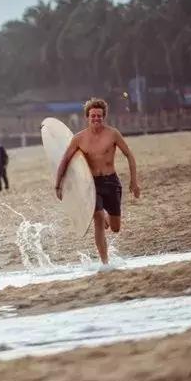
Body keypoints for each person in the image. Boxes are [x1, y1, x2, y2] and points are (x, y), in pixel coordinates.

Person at [55, 97, 140, 267]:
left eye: (99, 116)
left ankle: (109, 217)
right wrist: (58, 184)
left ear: (104, 116)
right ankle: (105, 262)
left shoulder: (113, 134)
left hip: (111, 182)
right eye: (93, 116)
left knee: (115, 228)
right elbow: (64, 161)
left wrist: (134, 181)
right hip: (92, 185)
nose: (96, 119)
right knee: (98, 219)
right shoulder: (79, 139)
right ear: (87, 117)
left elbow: (129, 155)